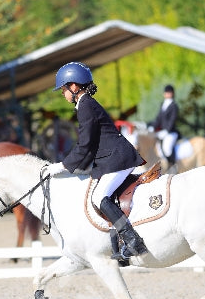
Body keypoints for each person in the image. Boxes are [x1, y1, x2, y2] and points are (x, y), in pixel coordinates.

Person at [44, 61, 148, 260]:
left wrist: (62, 166)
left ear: (74, 86)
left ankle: (132, 240)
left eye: (63, 89)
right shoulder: (84, 104)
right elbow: (89, 146)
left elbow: (84, 145)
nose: (62, 93)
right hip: (108, 159)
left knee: (99, 198)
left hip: (118, 159)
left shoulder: (85, 106)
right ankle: (116, 246)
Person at [148, 84, 180, 165]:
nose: (168, 94)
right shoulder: (163, 104)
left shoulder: (174, 106)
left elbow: (172, 120)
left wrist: (166, 131)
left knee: (167, 148)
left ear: (172, 93)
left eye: (169, 92)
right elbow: (158, 118)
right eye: (166, 92)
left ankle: (173, 165)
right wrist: (153, 127)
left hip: (171, 132)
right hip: (162, 132)